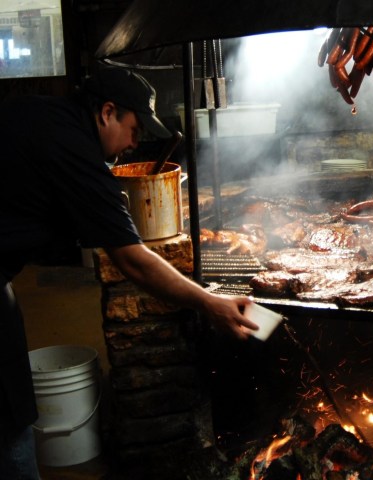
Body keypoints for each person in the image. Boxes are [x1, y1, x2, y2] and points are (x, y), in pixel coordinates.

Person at [0, 65, 259, 479]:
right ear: (107, 112)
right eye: (135, 129)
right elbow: (133, 259)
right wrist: (211, 303)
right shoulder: (76, 151)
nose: (135, 144)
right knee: (8, 415)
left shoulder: (39, 113)